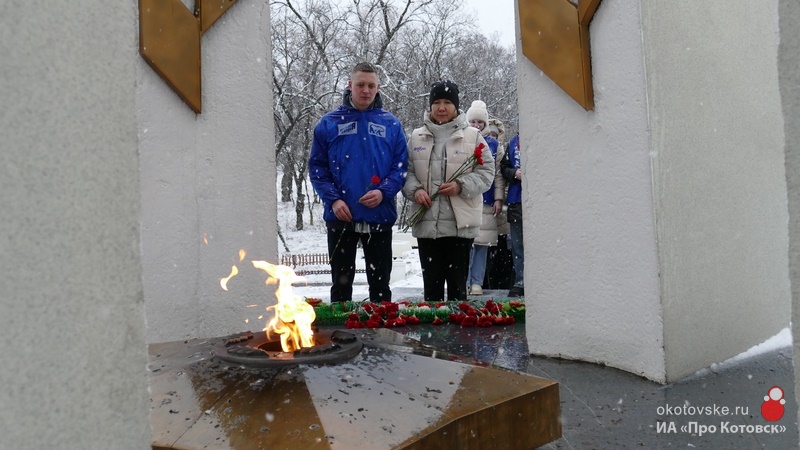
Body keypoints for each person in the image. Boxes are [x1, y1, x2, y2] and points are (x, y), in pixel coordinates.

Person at [308, 62, 408, 303]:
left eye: (371, 85)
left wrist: (383, 192)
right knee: (341, 288)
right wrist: (333, 200)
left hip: (379, 216)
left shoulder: (391, 124)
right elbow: (317, 167)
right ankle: (342, 337)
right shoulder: (329, 123)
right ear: (350, 85)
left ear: (378, 88)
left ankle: (383, 338)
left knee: (381, 287)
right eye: (361, 84)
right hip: (341, 217)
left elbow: (401, 167)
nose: (366, 90)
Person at [402, 81, 495, 301]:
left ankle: (458, 334)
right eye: (436, 102)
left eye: (447, 102)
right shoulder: (416, 136)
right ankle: (431, 335)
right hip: (427, 224)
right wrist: (415, 191)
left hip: (458, 228)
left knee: (457, 293)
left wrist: (461, 186)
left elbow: (486, 173)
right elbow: (406, 172)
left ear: (456, 106)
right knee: (431, 293)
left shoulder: (472, 136)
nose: (441, 108)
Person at [464, 100, 505, 296]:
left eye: (480, 122)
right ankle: (463, 280)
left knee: (482, 244)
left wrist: (498, 198)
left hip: (486, 199)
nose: (477, 126)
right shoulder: (461, 140)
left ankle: (477, 282)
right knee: (465, 244)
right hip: (465, 198)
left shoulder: (494, 145)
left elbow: (497, 174)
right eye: (473, 121)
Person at [500, 134, 524, 297]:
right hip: (516, 200)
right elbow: (504, 167)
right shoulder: (514, 142)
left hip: (541, 201)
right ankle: (520, 280)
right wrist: (515, 173)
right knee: (517, 244)